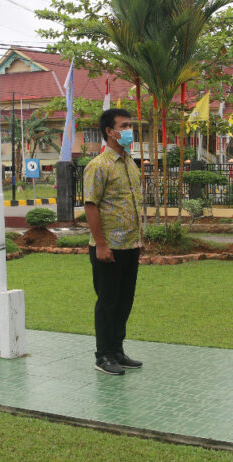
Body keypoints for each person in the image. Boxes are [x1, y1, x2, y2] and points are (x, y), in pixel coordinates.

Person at [84, 108, 144, 376]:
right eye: (125, 125)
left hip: (131, 245)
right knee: (108, 302)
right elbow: (91, 206)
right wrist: (101, 244)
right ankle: (103, 355)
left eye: (130, 125)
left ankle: (117, 350)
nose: (129, 130)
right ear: (110, 131)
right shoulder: (98, 165)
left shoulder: (130, 162)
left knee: (124, 301)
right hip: (108, 247)